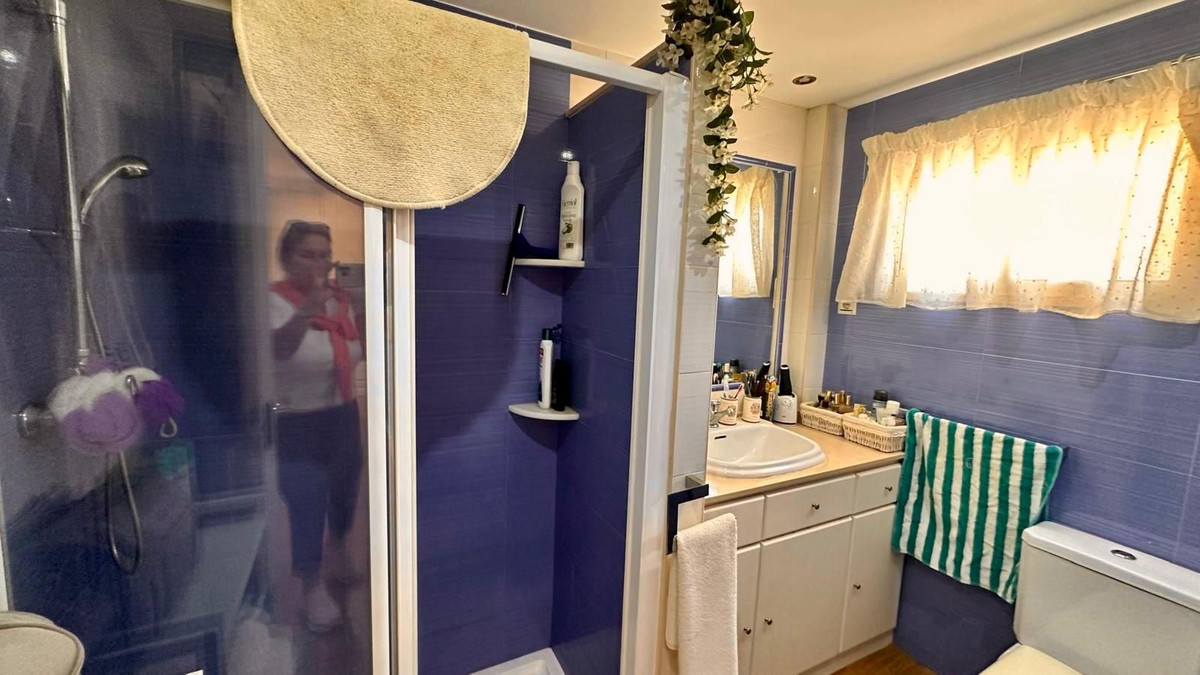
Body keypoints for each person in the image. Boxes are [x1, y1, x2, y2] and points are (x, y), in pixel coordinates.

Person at [269, 220, 363, 633]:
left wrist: (361, 308)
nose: (318, 263)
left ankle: (338, 551)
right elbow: (278, 350)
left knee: (345, 489)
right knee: (306, 499)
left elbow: (358, 349)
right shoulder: (272, 300)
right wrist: (308, 307)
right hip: (294, 419)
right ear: (286, 258)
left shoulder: (340, 301)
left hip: (342, 412)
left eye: (324, 255)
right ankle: (311, 586)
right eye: (307, 254)